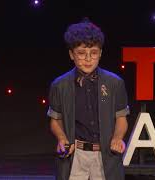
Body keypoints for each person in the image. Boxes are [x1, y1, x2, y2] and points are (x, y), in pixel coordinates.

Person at [47, 18, 130, 180]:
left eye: (93, 53)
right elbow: (55, 119)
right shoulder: (60, 85)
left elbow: (121, 117)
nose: (88, 59)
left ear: (100, 53)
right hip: (76, 155)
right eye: (81, 53)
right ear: (72, 54)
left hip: (104, 155)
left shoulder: (115, 83)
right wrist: (62, 138)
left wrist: (117, 138)